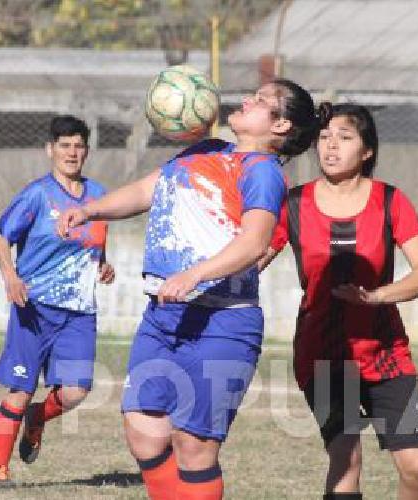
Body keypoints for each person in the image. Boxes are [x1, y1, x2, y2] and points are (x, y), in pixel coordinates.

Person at [56, 79, 323, 499]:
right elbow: (147, 189)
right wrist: (89, 210)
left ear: (281, 124)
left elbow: (254, 242)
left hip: (223, 321)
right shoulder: (206, 150)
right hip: (165, 316)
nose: (248, 98)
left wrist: (194, 275)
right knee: (143, 433)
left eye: (261, 101)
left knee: (194, 446)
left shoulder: (263, 173)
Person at [257, 104, 418, 500]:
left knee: (417, 467)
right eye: (324, 138)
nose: (330, 147)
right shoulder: (293, 204)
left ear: (367, 150)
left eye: (344, 138)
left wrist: (375, 297)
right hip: (322, 356)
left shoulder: (390, 201)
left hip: (386, 355)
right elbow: (251, 258)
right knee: (346, 457)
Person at [0, 115, 116, 488]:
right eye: (64, 145)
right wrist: (10, 275)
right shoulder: (38, 194)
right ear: (50, 150)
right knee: (21, 390)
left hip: (79, 312)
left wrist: (103, 266)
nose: (72, 153)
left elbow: (94, 246)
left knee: (75, 392)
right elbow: (0, 235)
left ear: (86, 150)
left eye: (78, 146)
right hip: (34, 308)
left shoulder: (99, 195)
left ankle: (39, 417)